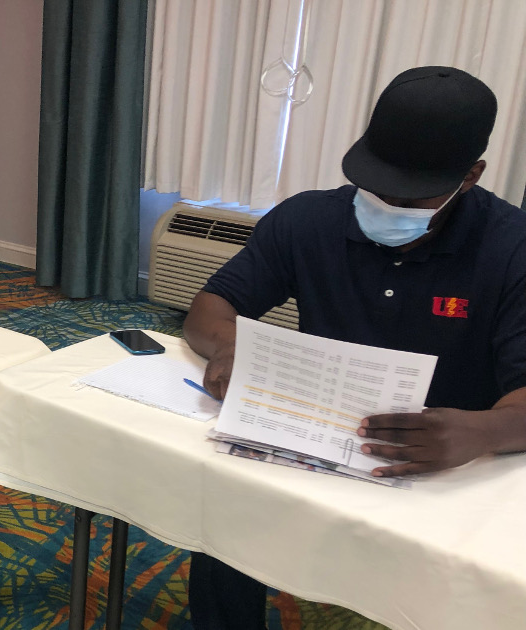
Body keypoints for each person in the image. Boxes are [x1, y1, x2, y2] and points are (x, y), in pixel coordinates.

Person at [183, 66, 526, 629]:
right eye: (376, 184)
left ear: (471, 176)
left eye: (411, 195)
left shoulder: (512, 250)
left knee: (465, 591)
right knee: (227, 504)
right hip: (316, 429)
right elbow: (210, 308)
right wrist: (231, 346)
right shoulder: (309, 219)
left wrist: (481, 430)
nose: (387, 204)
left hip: (447, 459)